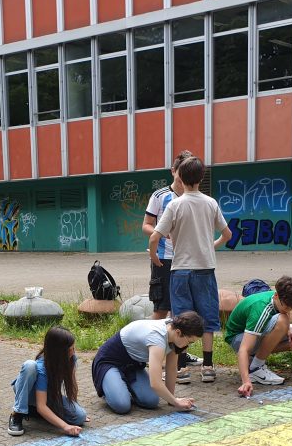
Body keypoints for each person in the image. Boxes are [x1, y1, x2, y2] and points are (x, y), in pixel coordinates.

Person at [152, 156, 232, 384]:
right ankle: (208, 367)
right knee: (208, 317)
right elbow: (227, 234)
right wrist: (211, 245)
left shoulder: (175, 205)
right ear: (201, 177)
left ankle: (181, 369)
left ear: (179, 176)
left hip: (180, 270)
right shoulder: (211, 203)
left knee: (181, 318)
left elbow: (155, 236)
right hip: (205, 269)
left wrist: (153, 255)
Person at [143, 149, 198, 384]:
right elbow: (146, 225)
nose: (182, 177)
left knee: (183, 310)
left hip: (187, 260)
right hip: (164, 260)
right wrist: (162, 234)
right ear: (173, 171)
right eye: (179, 172)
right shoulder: (160, 196)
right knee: (162, 308)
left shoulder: (194, 196)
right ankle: (149, 354)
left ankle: (179, 354)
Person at [224, 276, 292, 398]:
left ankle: (256, 357)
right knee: (282, 320)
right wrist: (246, 381)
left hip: (260, 331)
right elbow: (243, 349)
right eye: (286, 307)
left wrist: (288, 328)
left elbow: (282, 312)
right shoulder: (260, 309)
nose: (288, 310)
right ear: (276, 296)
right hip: (239, 338)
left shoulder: (282, 298)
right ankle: (256, 368)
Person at [91, 312, 203, 414]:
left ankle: (121, 384)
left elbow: (171, 368)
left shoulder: (174, 332)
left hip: (132, 365)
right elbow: (155, 383)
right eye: (190, 342)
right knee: (122, 405)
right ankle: (110, 388)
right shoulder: (157, 338)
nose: (188, 346)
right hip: (110, 361)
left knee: (151, 401)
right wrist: (176, 402)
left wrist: (172, 400)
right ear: (178, 332)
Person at [8, 326, 87, 437]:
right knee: (30, 365)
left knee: (80, 416)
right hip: (29, 392)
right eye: (70, 350)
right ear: (58, 352)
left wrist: (74, 408)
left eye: (73, 348)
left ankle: (32, 410)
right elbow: (42, 406)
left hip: (46, 395)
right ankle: (17, 413)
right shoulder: (42, 367)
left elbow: (71, 385)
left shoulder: (70, 359)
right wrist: (65, 426)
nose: (73, 353)